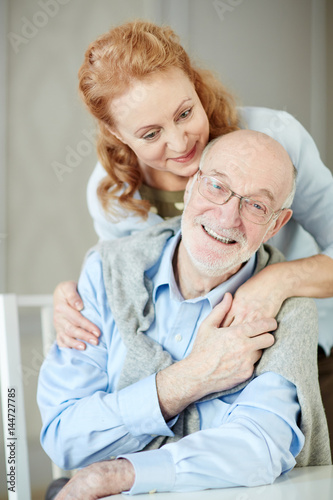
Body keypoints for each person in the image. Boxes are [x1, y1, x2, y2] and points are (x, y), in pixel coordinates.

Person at [53, 21, 333, 447]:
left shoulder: (277, 140)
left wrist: (275, 281)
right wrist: (70, 296)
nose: (182, 142)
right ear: (116, 133)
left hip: (303, 356)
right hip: (189, 382)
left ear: (196, 86)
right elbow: (119, 283)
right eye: (150, 134)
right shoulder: (113, 195)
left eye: (185, 112)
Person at [38, 131, 331, 500]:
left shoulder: (288, 308)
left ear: (276, 224)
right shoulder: (108, 270)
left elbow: (262, 444)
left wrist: (121, 473)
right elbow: (66, 436)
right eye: (216, 186)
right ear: (191, 186)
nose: (227, 217)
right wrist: (189, 378)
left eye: (256, 206)